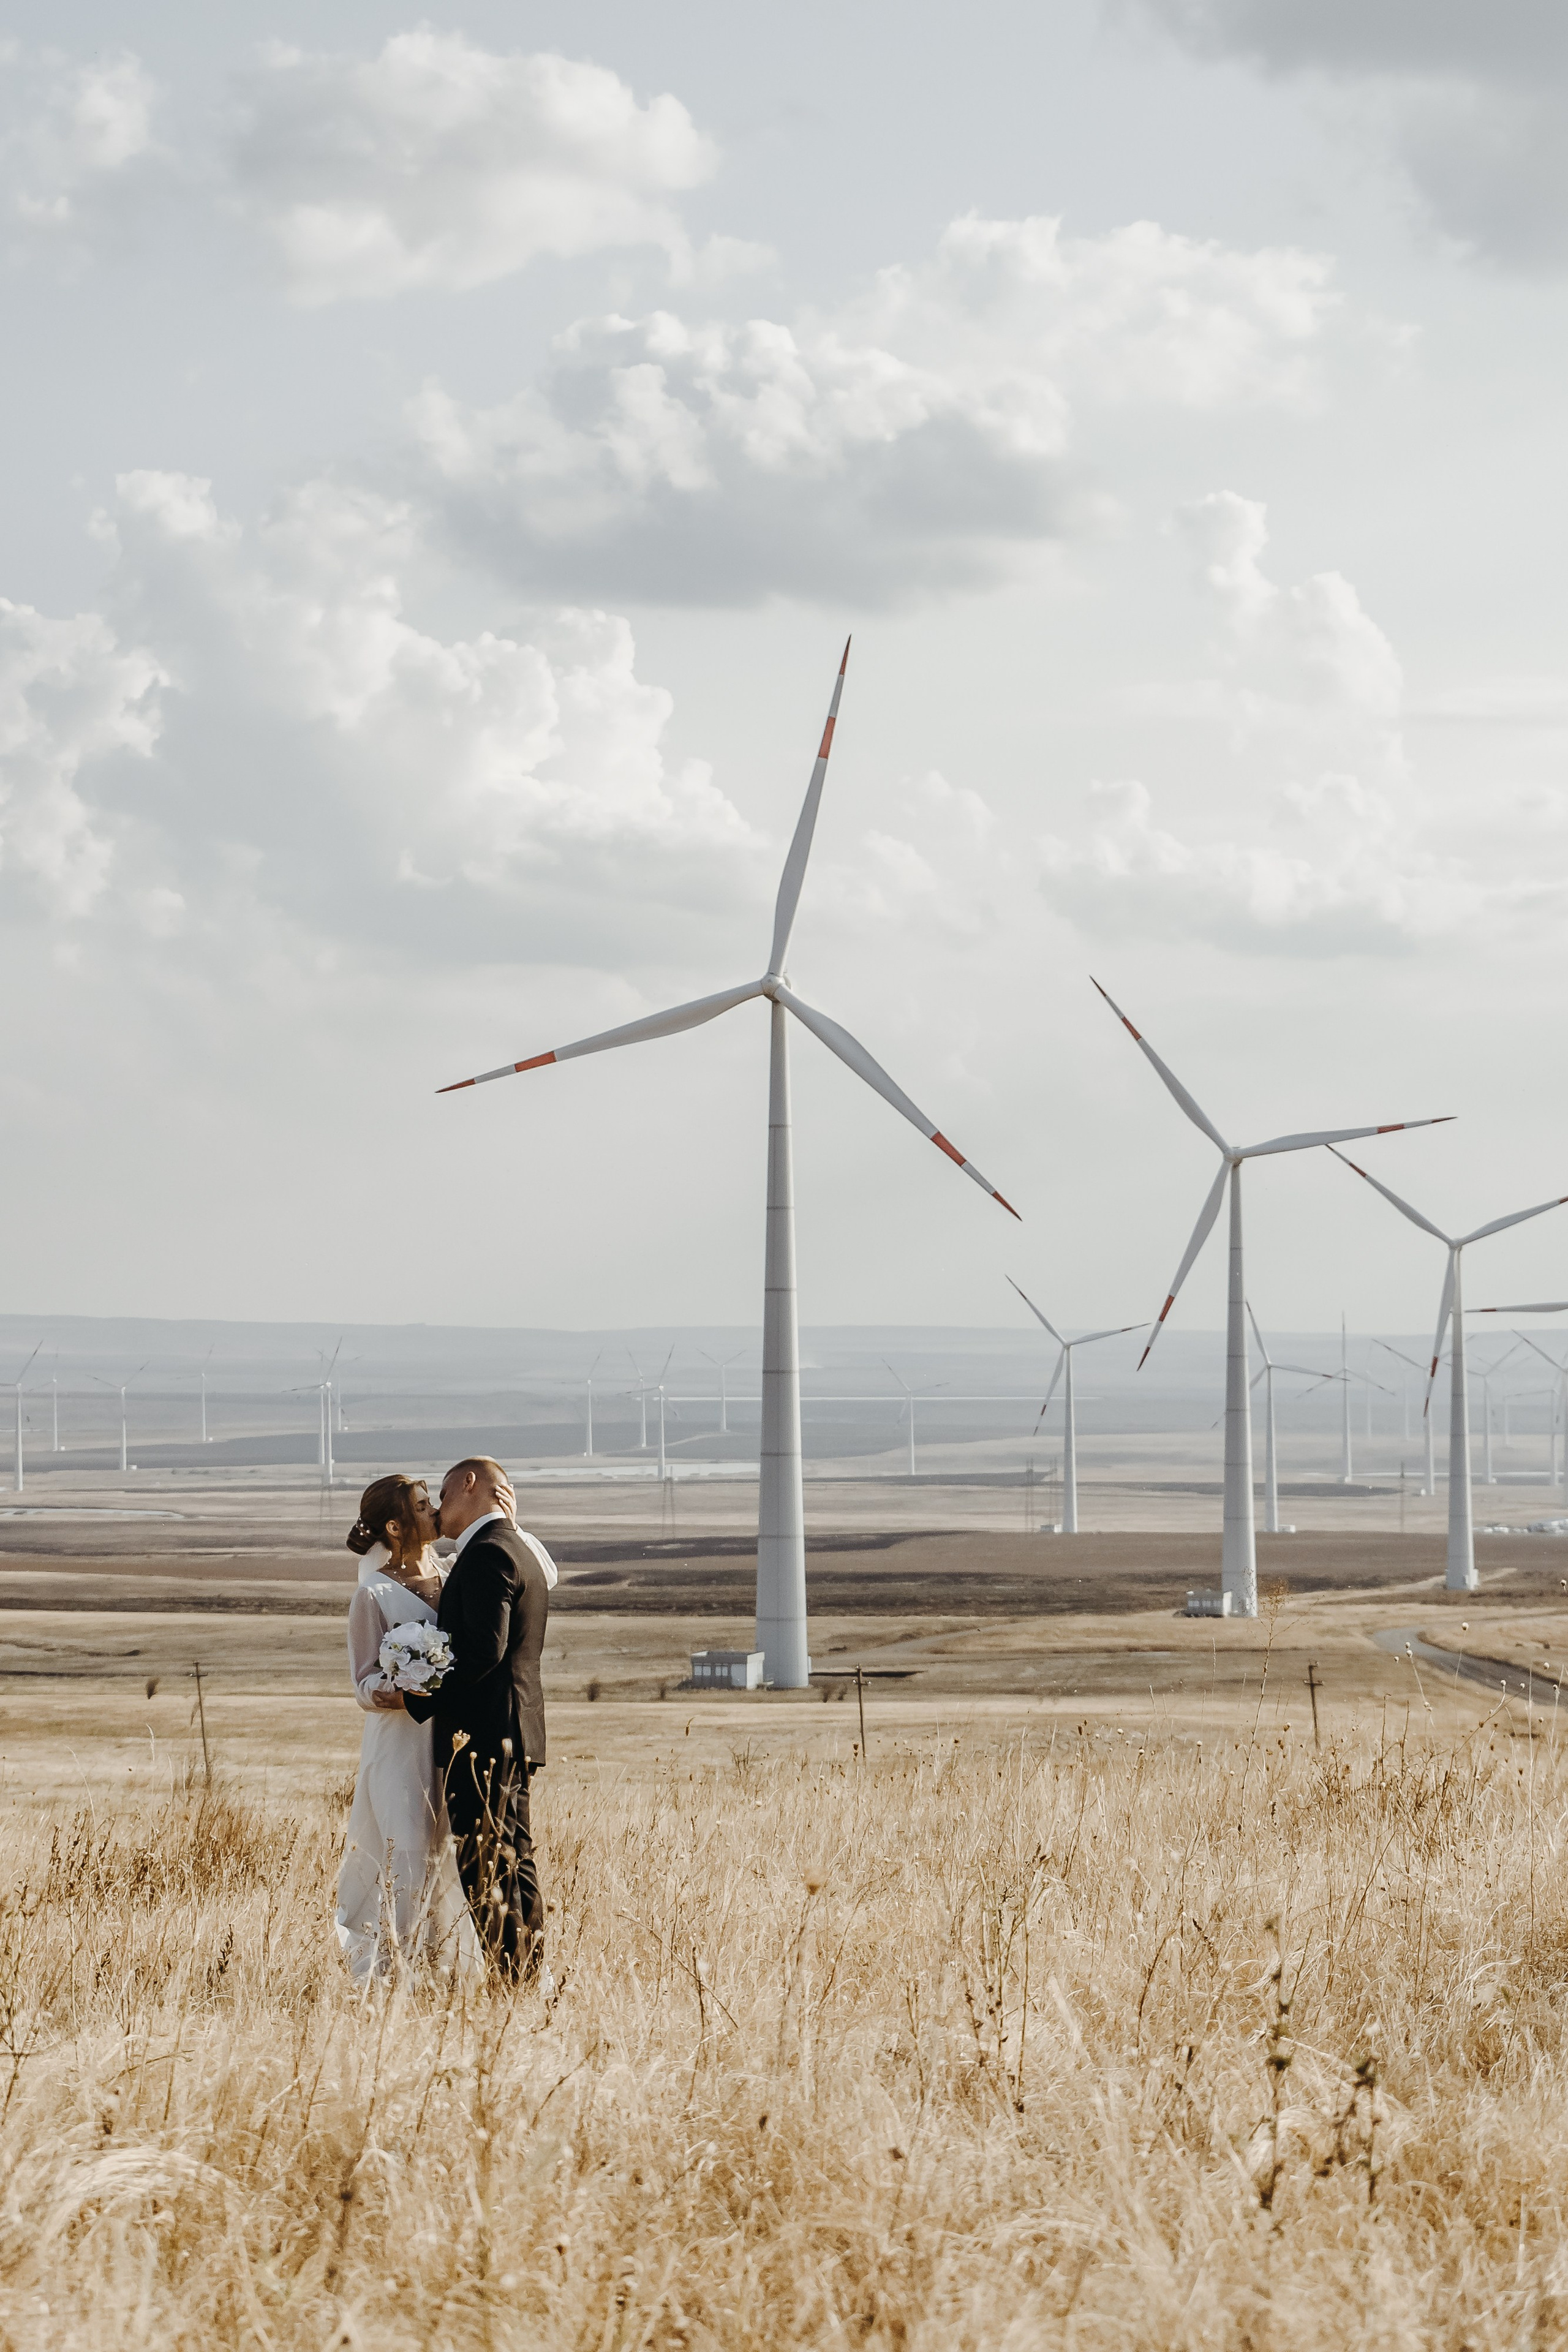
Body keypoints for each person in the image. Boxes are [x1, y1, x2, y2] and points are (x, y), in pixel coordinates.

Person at [405, 1455, 555, 1986]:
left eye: (444, 1495)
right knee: (515, 1859)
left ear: (471, 1486)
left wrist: (416, 1695)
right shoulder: (517, 1548)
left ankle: (511, 1981)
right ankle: (529, 1978)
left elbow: (482, 1651)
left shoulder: (489, 1554)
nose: (440, 1509)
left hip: (485, 1737)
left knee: (486, 1865)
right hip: (514, 1732)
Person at [334, 1474, 479, 1986]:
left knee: (457, 1854)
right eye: (422, 1507)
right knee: (409, 1851)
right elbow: (362, 1683)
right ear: (395, 1527)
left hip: (458, 1741)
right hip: (400, 1745)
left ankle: (453, 1971)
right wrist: (410, 1687)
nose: (436, 1512)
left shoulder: (459, 1573)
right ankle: (399, 1972)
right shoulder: (372, 1595)